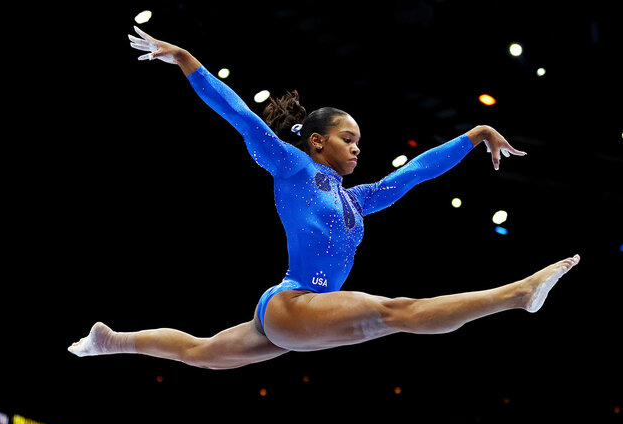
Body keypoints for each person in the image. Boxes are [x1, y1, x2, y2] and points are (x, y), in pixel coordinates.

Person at [68, 26, 580, 370]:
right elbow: (242, 116)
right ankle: (518, 294)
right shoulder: (293, 166)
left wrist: (474, 135)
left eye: (359, 142)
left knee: (202, 352)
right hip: (294, 304)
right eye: (348, 140)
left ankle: (109, 341)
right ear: (317, 141)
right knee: (394, 313)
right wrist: (184, 60)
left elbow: (416, 173)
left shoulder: (356, 200)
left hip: (297, 314)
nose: (358, 149)